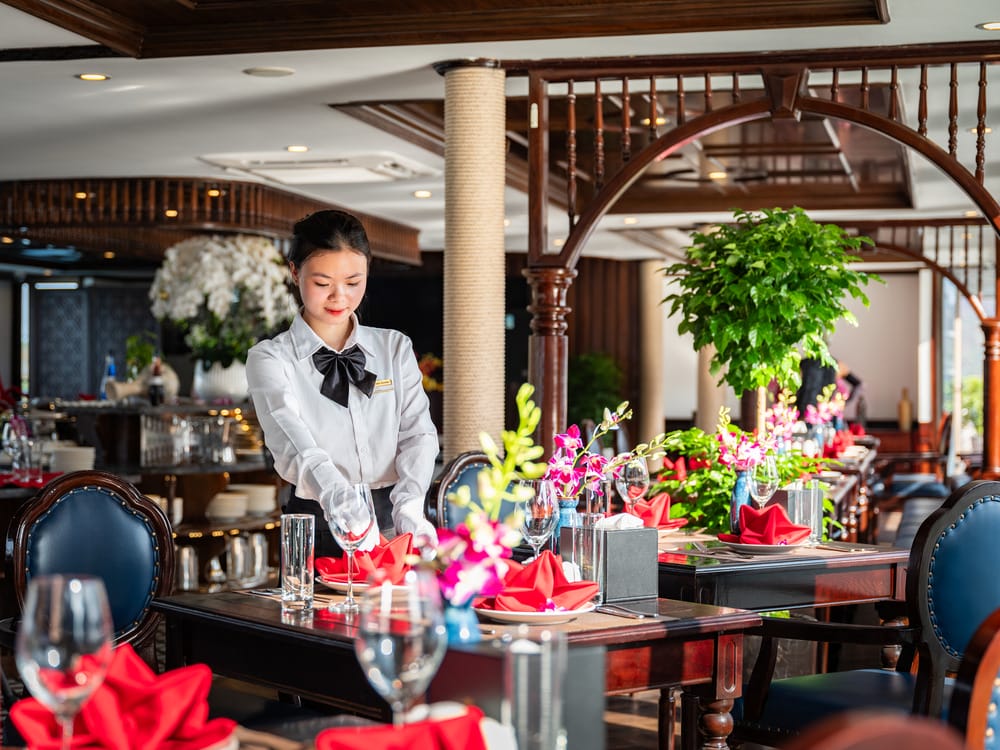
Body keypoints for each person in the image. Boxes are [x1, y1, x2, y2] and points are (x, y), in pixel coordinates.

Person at [246, 209, 439, 557]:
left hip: (395, 522)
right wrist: (340, 499)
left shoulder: (394, 348)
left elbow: (418, 433)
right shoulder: (271, 359)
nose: (339, 297)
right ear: (295, 272)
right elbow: (295, 445)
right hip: (317, 525)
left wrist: (411, 504)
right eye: (323, 284)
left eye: (353, 282)